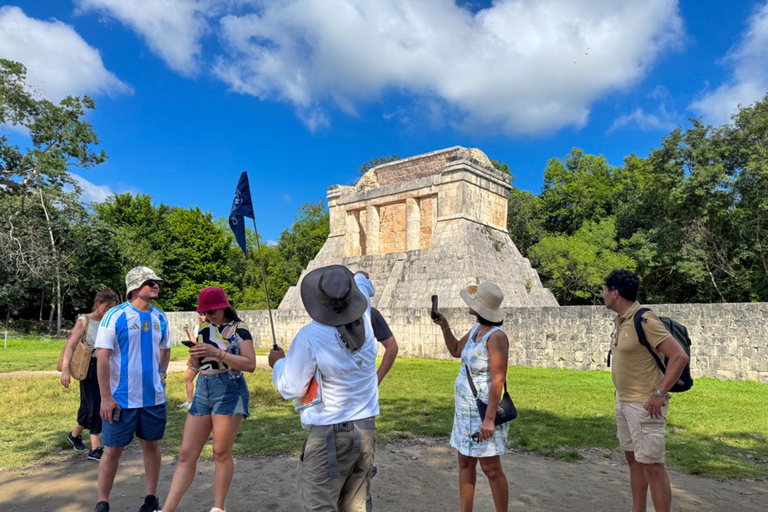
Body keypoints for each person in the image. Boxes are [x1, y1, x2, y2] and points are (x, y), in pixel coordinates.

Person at [269, 265, 378, 512]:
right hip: (366, 427)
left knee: (319, 505)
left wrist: (279, 364)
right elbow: (363, 287)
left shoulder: (311, 336)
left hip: (330, 432)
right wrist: (360, 277)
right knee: (356, 506)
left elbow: (291, 388)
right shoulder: (366, 322)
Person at [158, 287, 256, 512]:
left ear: (224, 306)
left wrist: (217, 353)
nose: (208, 316)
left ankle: (218, 507)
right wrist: (195, 359)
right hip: (204, 388)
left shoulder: (239, 329)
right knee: (186, 453)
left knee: (220, 452)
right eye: (204, 312)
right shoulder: (203, 328)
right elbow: (198, 364)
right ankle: (167, 509)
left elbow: (249, 364)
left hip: (229, 388)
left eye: (212, 311)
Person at [603, 270, 689, 512]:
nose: (603, 295)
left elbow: (679, 356)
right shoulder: (622, 320)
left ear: (615, 293)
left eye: (605, 290)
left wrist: (659, 394)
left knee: (653, 465)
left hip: (645, 406)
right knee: (634, 461)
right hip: (624, 402)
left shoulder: (644, 320)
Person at [92, 267, 172, 512]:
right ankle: (102, 502)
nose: (155, 285)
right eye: (150, 282)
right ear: (135, 287)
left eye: (156, 282)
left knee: (151, 446)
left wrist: (162, 374)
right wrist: (106, 397)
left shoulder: (160, 317)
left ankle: (151, 498)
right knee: (112, 450)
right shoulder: (115, 315)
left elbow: (165, 348)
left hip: (153, 399)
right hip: (121, 400)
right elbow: (103, 358)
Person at [432, 281, 510, 512]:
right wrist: (444, 326)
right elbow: (456, 350)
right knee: (464, 462)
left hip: (483, 411)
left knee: (490, 468)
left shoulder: (496, 337)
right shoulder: (477, 329)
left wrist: (489, 419)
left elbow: (498, 379)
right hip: (465, 412)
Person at [61, 288, 120, 461]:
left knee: (88, 404)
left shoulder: (112, 321)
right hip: (90, 366)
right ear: (99, 304)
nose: (110, 311)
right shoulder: (84, 321)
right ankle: (96, 447)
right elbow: (70, 346)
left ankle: (74, 435)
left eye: (113, 307)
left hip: (108, 365)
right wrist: (65, 368)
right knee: (96, 404)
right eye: (108, 307)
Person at [353, 271, 399, 385]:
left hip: (361, 385)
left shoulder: (372, 315)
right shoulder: (370, 314)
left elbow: (392, 347)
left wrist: (377, 380)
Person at [178, 314, 206, 409]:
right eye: (202, 314)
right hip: (196, 356)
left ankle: (204, 403)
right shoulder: (198, 327)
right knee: (188, 377)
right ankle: (189, 401)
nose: (203, 316)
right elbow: (193, 340)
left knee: (205, 380)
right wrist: (187, 332)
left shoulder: (212, 327)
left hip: (206, 356)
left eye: (205, 314)